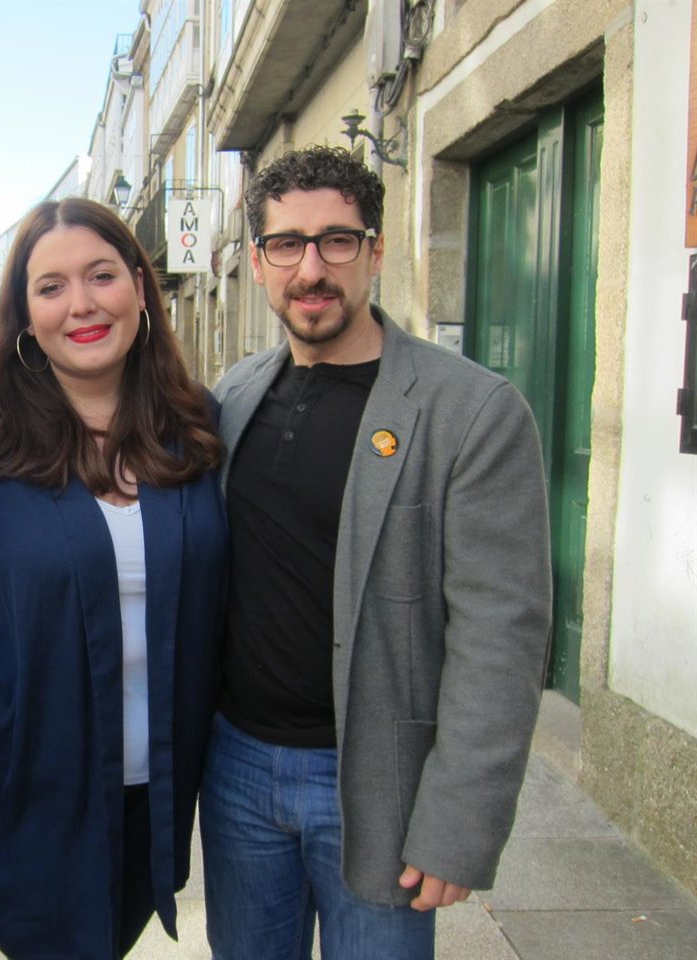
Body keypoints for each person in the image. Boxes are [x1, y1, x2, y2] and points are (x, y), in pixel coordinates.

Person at [202, 144, 552, 959]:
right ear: (258, 262)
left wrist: (461, 817)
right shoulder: (232, 396)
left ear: (376, 252)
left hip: (375, 782)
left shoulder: (472, 411)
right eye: (287, 243)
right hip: (238, 771)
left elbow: (502, 630)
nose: (311, 268)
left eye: (338, 241)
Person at [0, 197, 228, 958]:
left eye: (101, 276)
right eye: (51, 287)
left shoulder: (196, 428)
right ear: (24, 314)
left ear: (139, 287)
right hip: (28, 789)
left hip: (154, 789)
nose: (82, 304)